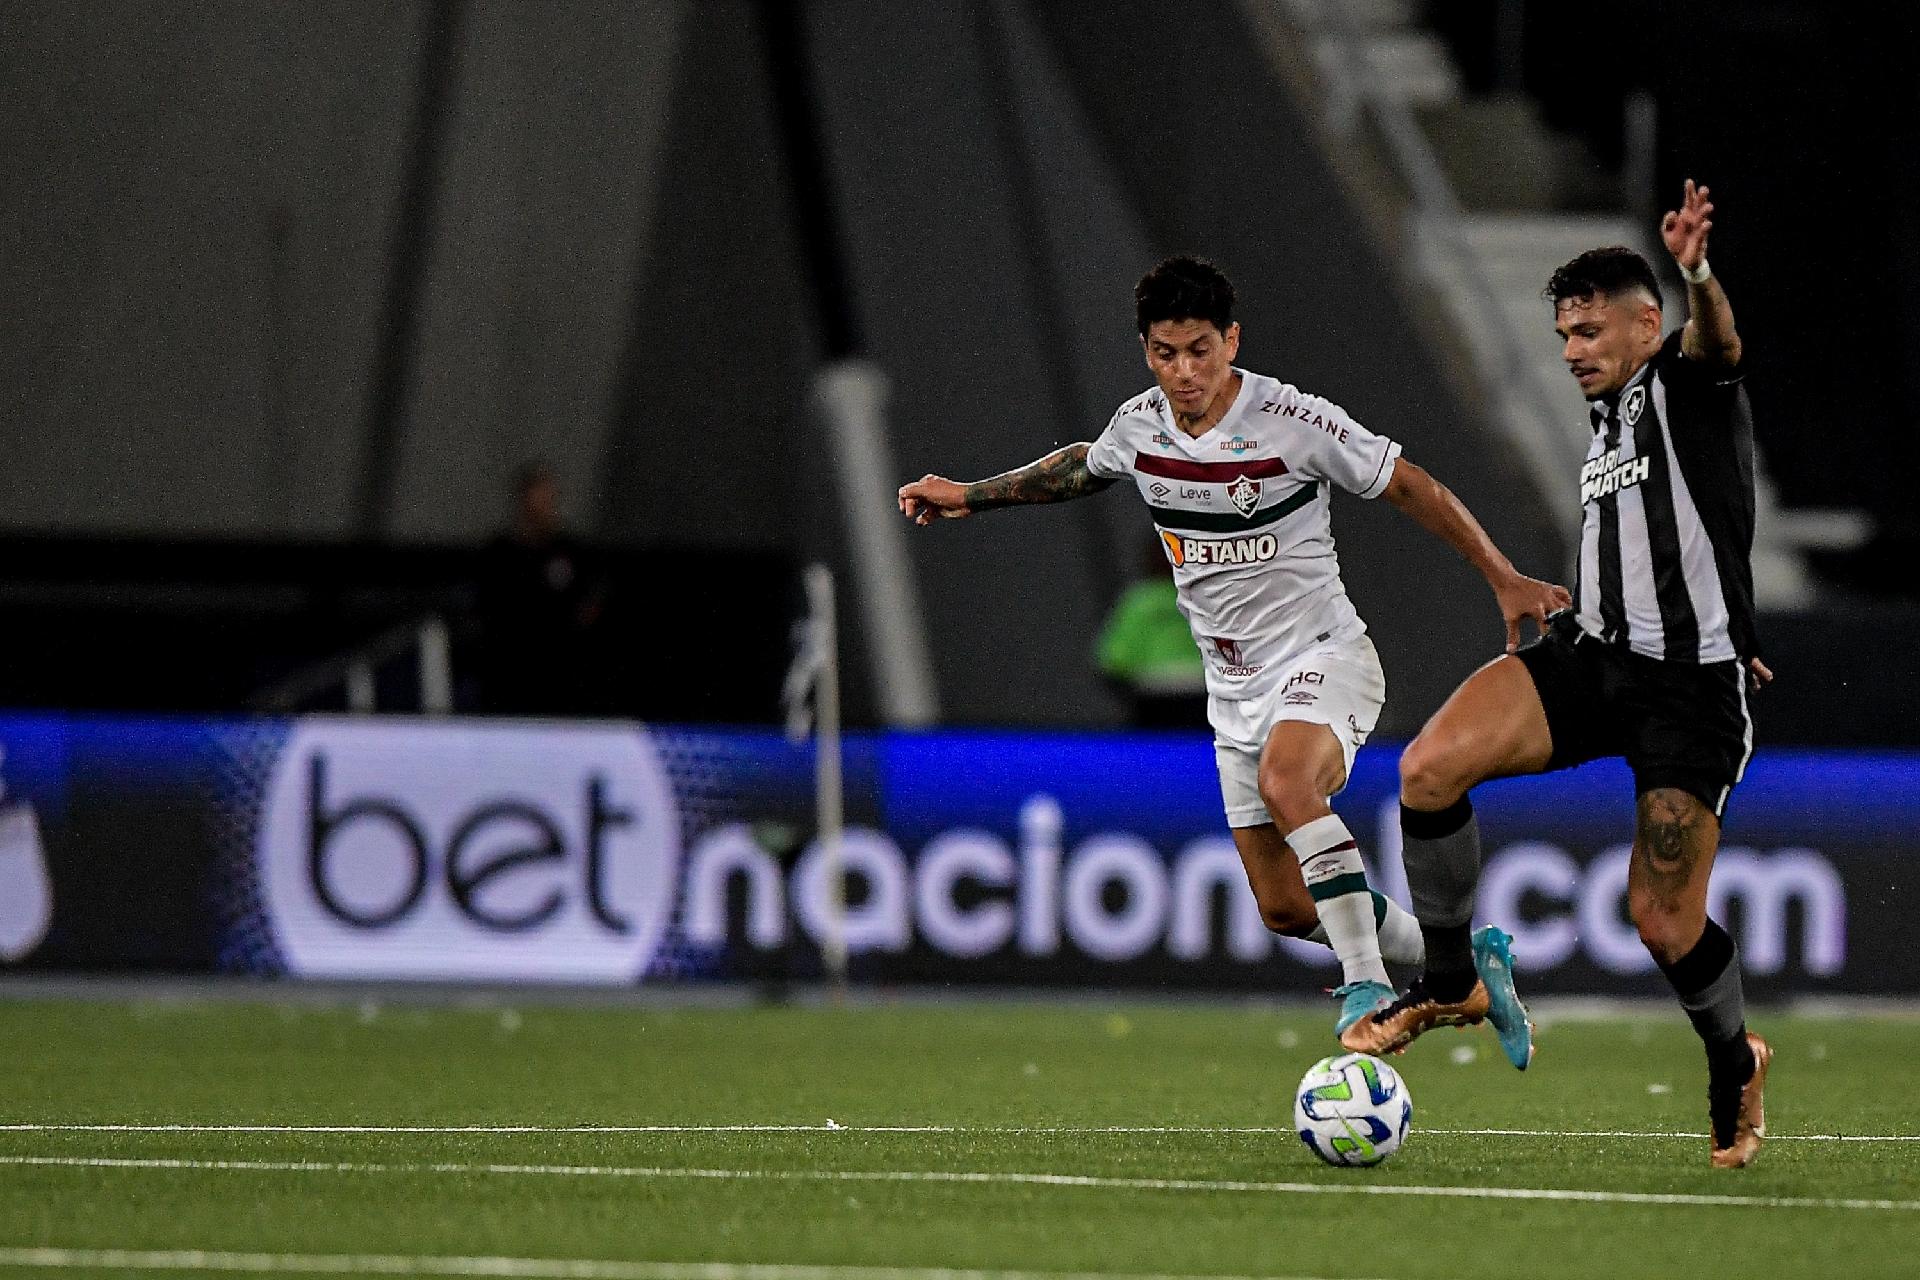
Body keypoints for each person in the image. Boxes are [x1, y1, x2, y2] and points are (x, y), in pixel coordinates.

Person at [898, 256, 1568, 1040]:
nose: (1184, 372)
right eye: (1164, 352)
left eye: (1201, 350)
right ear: (1147, 349)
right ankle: (1464, 957)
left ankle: (1366, 988)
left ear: (1232, 341)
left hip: (1324, 656)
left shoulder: (1294, 420)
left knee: (1291, 782)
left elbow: (1409, 483)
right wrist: (970, 497)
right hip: (1236, 692)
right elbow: (1082, 465)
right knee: (1284, 906)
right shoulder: (1139, 426)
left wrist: (1502, 574)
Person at [1343, 181, 1776, 1169]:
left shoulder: (1686, 382)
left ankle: (1732, 1056)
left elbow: (1719, 340)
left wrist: (1699, 272)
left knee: (1662, 918)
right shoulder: (1610, 417)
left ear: (1645, 323)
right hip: (1592, 654)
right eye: (1564, 333)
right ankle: (1449, 977)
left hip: (1689, 690)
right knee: (1427, 769)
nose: (1574, 347)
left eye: (1589, 329)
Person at [474, 461, 607, 715]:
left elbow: (593, 596)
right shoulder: (500, 553)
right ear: (523, 499)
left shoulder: (570, 551)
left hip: (557, 676)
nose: (544, 505)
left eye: (549, 497)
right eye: (538, 496)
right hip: (508, 673)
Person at [1095, 538, 1209, 729]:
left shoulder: (1139, 601)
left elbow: (1113, 662)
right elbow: (1113, 662)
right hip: (1163, 698)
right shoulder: (1206, 597)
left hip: (1184, 697)